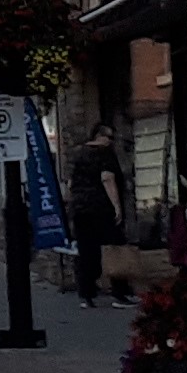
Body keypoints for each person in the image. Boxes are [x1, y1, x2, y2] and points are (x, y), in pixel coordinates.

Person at [67, 126, 127, 307]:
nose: (110, 140)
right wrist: (116, 205)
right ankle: (119, 293)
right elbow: (107, 179)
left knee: (86, 251)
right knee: (113, 248)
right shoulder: (105, 154)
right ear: (97, 136)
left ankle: (86, 294)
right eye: (108, 136)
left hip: (80, 208)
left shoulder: (78, 154)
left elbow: (70, 183)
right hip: (101, 207)